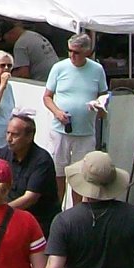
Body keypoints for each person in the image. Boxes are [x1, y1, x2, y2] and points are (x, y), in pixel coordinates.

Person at [43, 36, 110, 205]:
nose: (72, 55)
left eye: (77, 52)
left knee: (80, 176)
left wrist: (99, 105)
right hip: (60, 130)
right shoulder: (59, 67)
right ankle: (57, 211)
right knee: (58, 173)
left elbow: (104, 95)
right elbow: (47, 97)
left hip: (86, 132)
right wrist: (57, 112)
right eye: (70, 51)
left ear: (87, 52)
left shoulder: (97, 69)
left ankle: (77, 213)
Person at [4, 112, 62, 236]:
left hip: (39, 222)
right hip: (12, 214)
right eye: (8, 133)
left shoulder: (42, 160)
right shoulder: (5, 153)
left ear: (29, 137)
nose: (9, 139)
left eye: (15, 135)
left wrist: (0, 212)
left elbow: (29, 198)